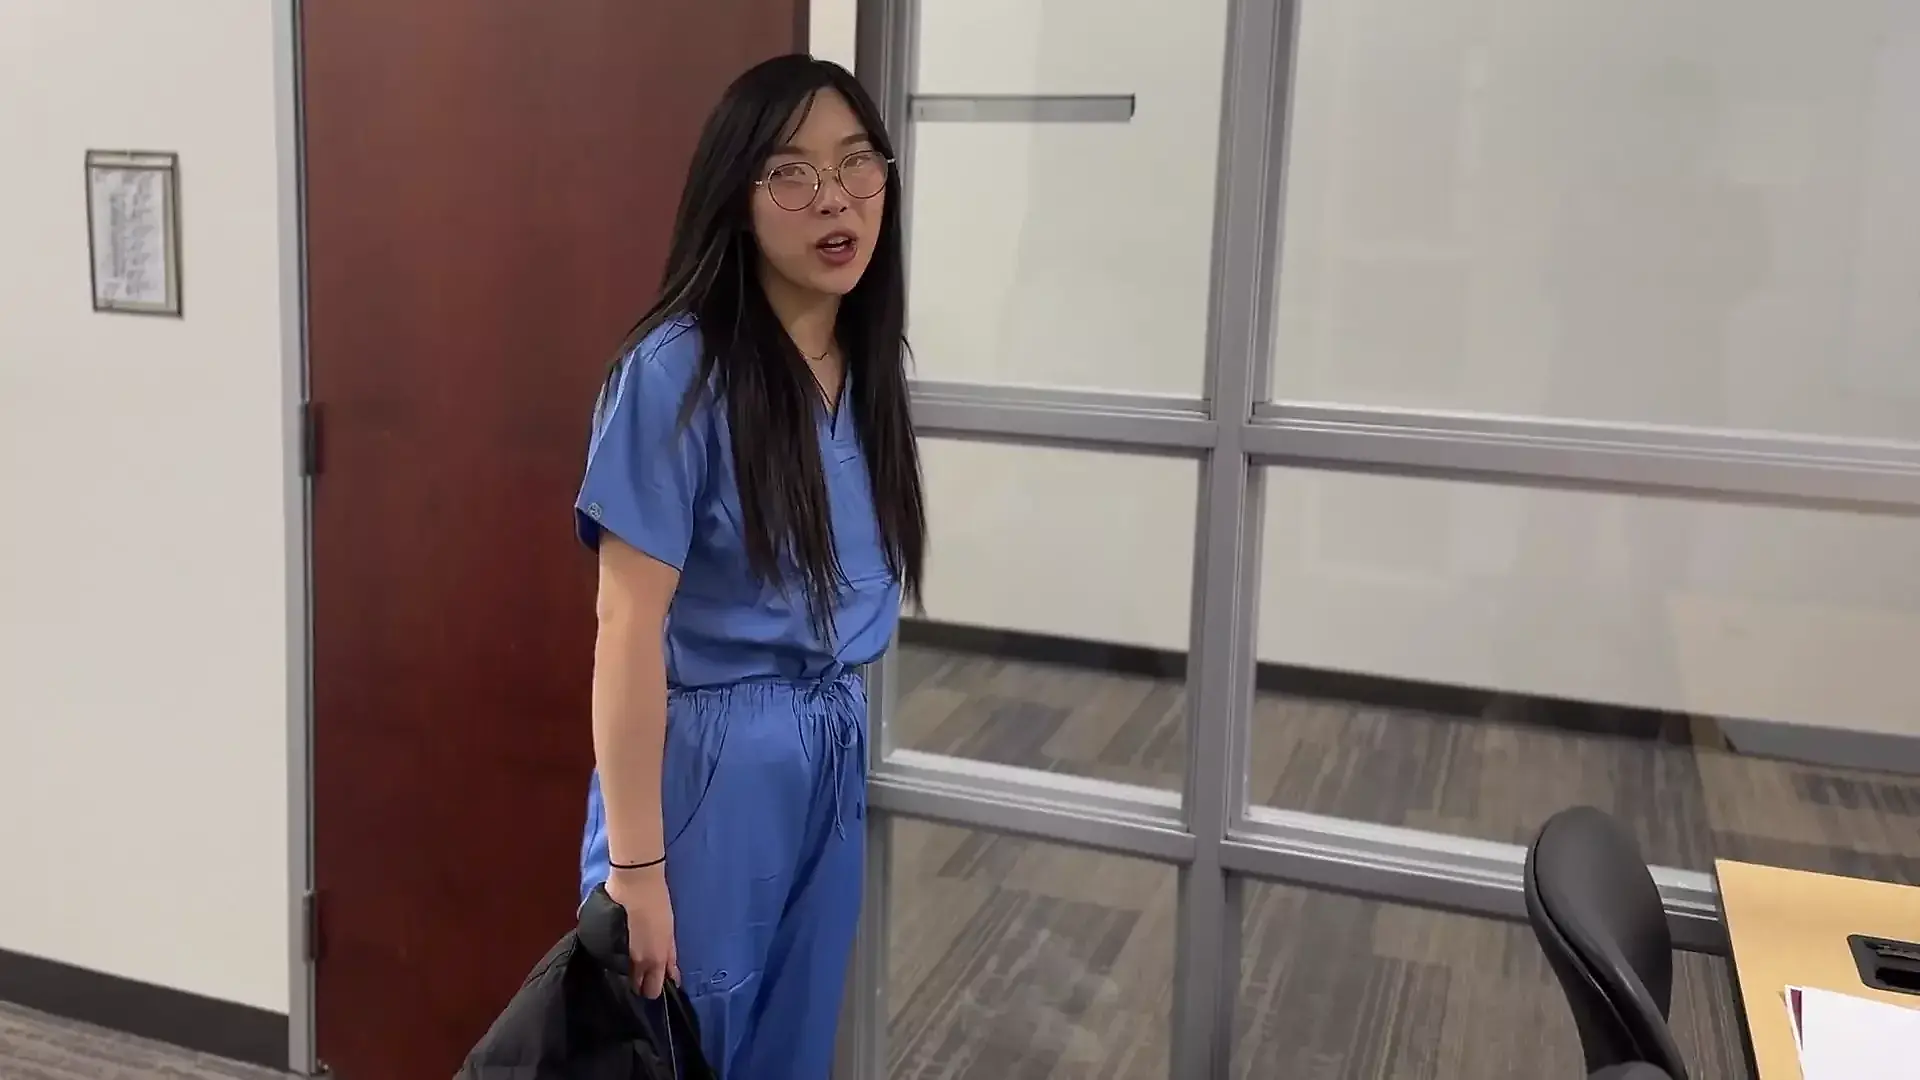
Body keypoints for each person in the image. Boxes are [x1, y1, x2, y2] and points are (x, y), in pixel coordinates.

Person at [572, 54, 925, 1080]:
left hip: (829, 742)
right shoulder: (675, 372)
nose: (837, 199)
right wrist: (638, 867)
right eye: (793, 173)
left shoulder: (868, 365)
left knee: (789, 1046)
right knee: (683, 1048)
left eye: (858, 164)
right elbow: (626, 629)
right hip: (708, 764)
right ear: (737, 195)